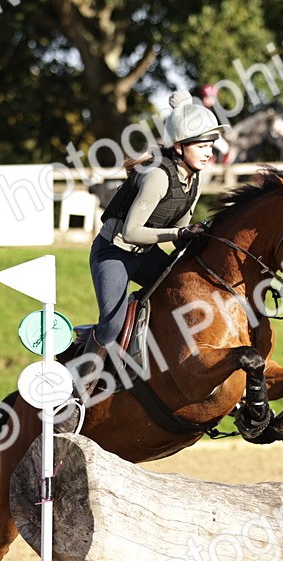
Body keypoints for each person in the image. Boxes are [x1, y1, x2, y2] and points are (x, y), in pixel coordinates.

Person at [81, 89, 226, 397]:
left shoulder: (195, 178)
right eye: (202, 145)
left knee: (186, 291)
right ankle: (79, 386)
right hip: (114, 254)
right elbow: (131, 232)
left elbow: (181, 230)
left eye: (210, 145)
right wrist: (178, 235)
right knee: (110, 325)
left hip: (146, 254)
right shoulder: (157, 177)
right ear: (179, 146)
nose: (208, 152)